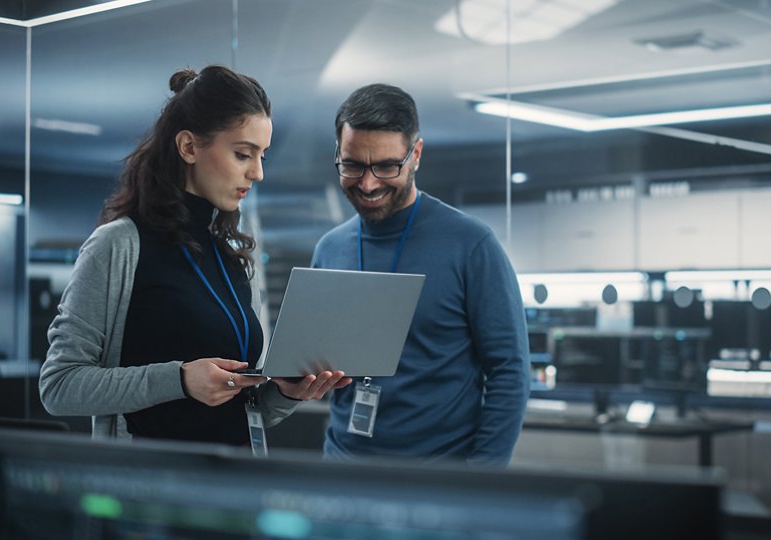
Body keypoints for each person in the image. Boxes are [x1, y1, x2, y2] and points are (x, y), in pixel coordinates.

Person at [39, 65, 351, 444]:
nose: (257, 174)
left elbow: (246, 411)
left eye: (262, 157)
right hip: (150, 491)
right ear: (188, 147)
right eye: (243, 154)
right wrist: (181, 379)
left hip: (235, 487)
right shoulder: (118, 245)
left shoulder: (230, 256)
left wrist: (286, 393)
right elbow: (59, 386)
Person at [311, 83, 530, 466]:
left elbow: (509, 370)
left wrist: (481, 476)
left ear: (416, 155)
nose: (368, 183)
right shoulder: (329, 249)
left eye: (386, 166)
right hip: (344, 468)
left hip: (438, 475)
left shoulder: (471, 245)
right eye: (353, 165)